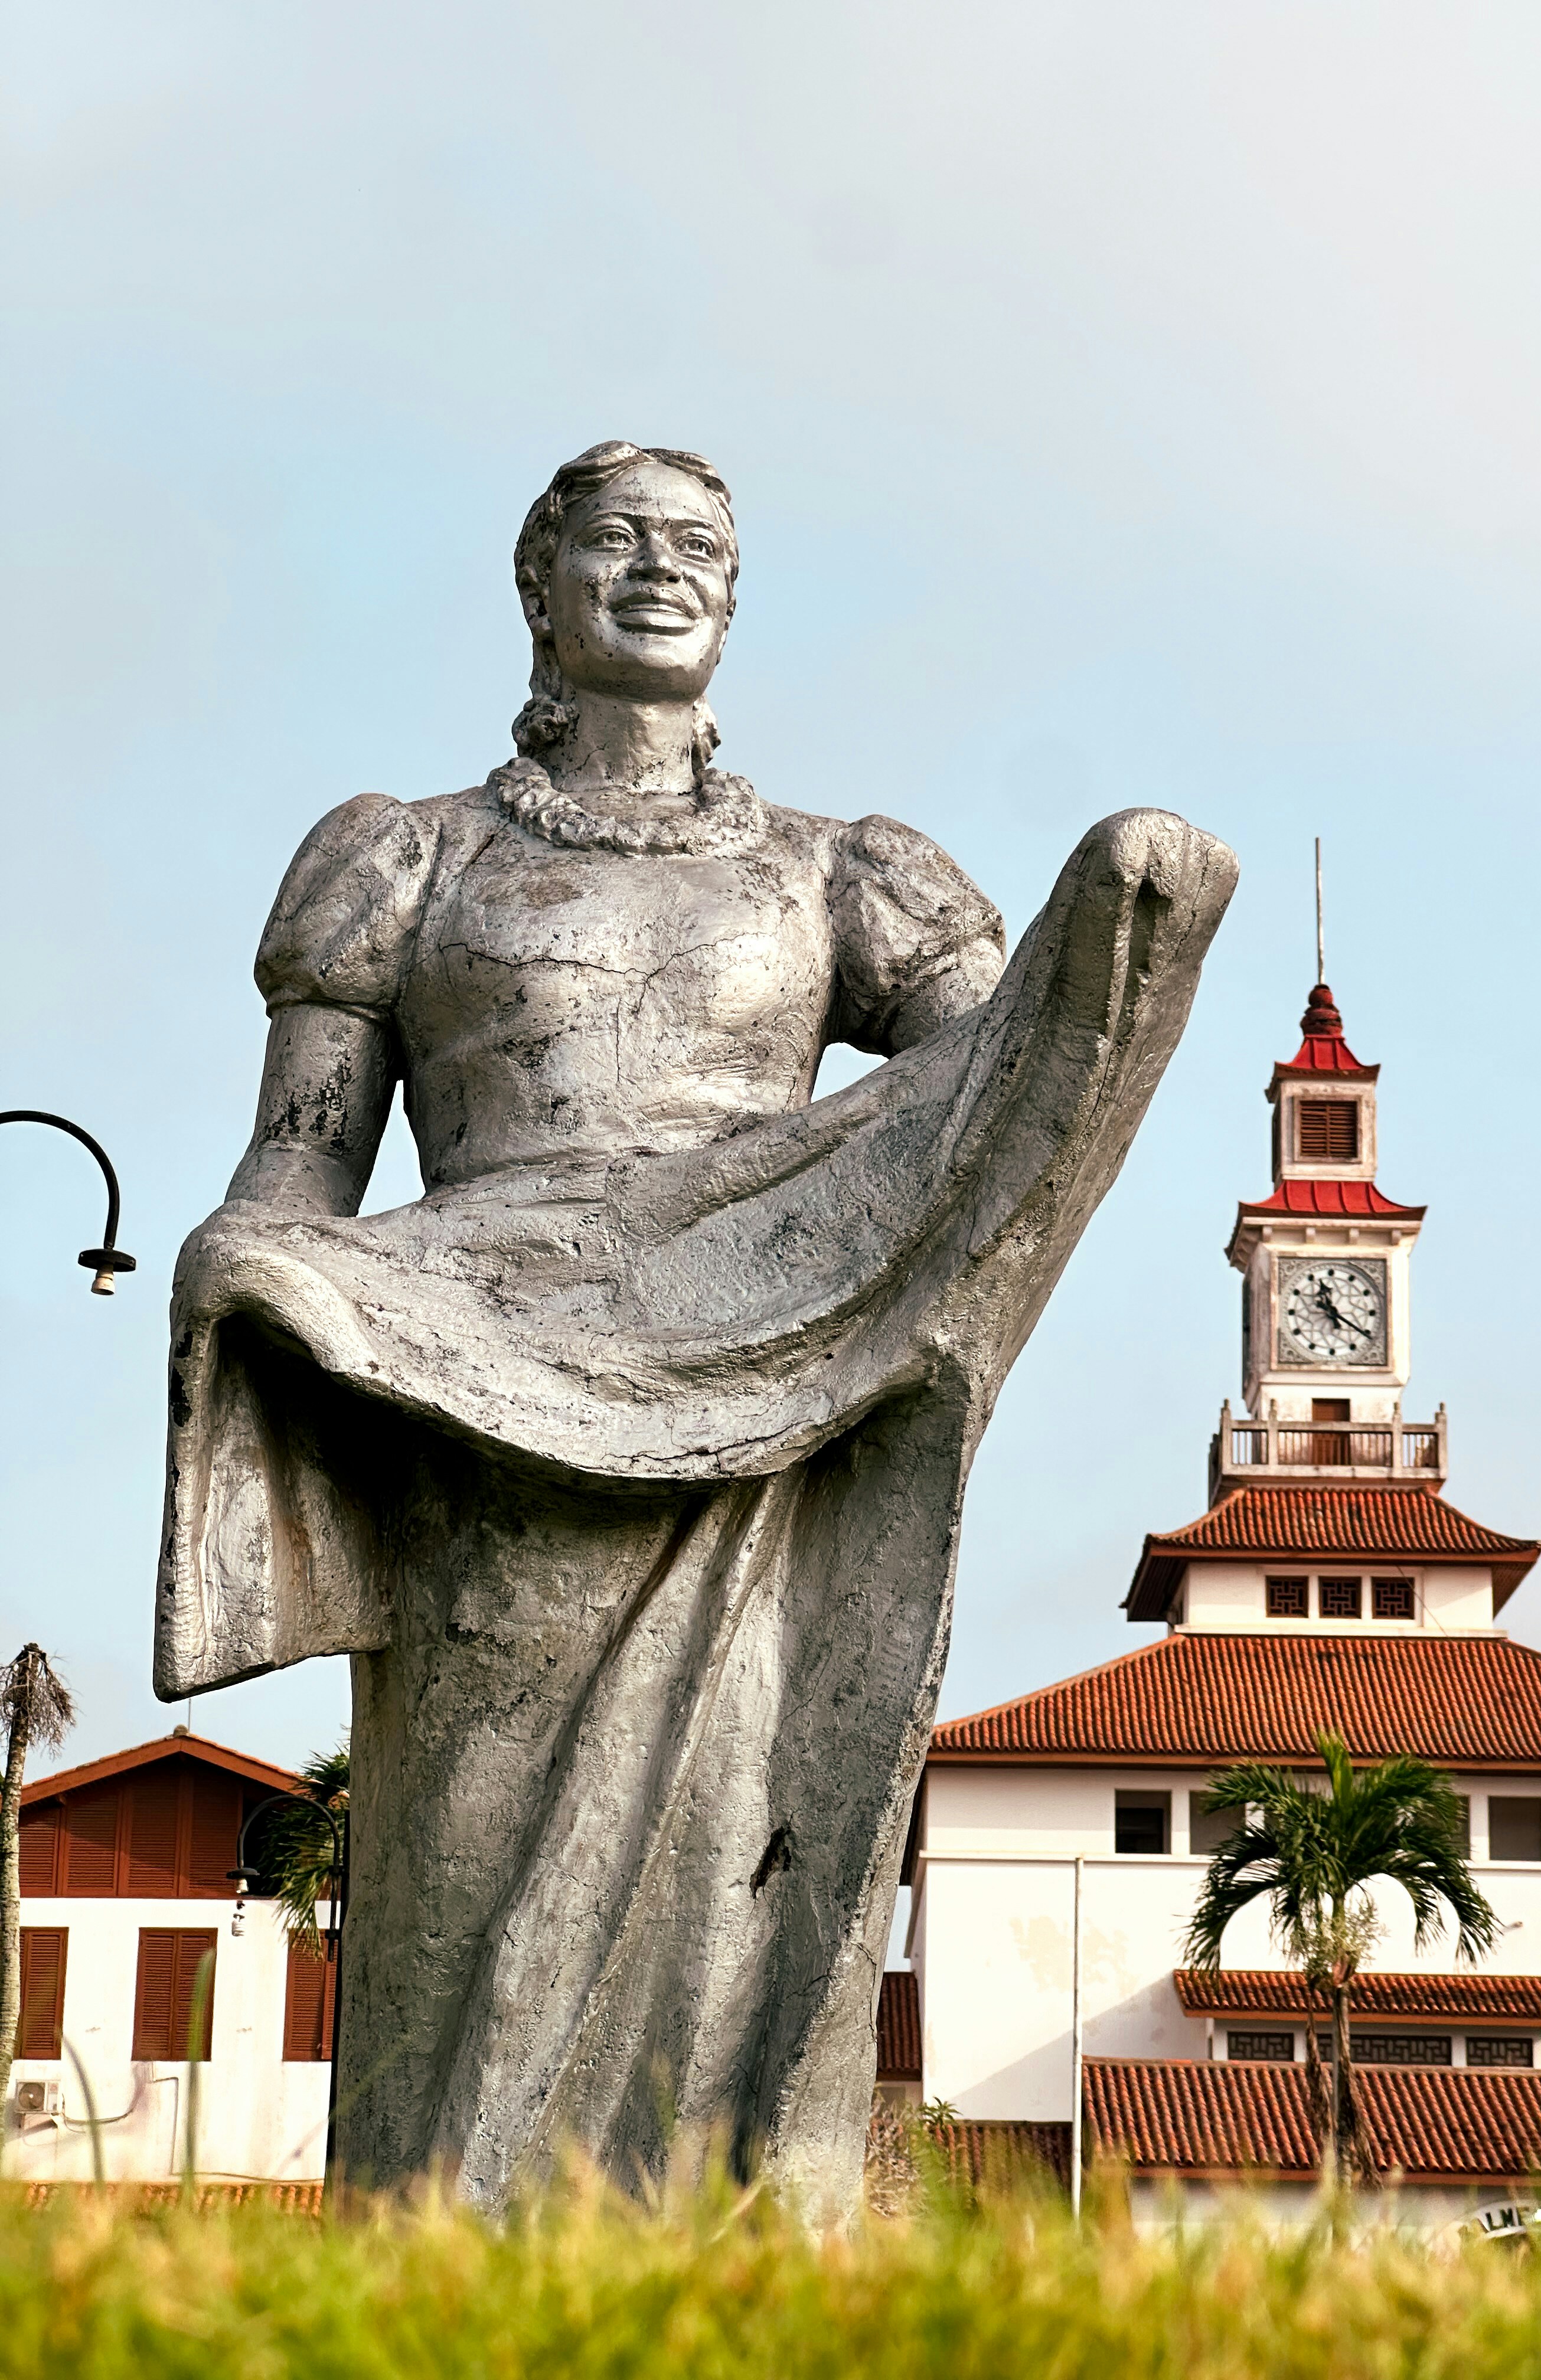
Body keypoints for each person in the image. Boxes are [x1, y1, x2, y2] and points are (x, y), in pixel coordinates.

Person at [157, 442, 1236, 2212]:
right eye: (621, 540)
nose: (664, 569)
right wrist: (246, 1268)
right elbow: (298, 1163)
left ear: (735, 600)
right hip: (480, 1390)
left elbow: (984, 1114)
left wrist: (1116, 939)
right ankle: (444, 2249)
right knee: (468, 1848)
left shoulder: (841, 873)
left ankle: (727, 2250)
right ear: (541, 587)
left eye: (702, 549)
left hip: (764, 1385)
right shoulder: (404, 857)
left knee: (744, 1825)